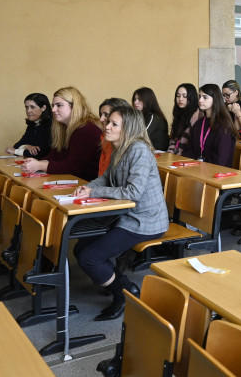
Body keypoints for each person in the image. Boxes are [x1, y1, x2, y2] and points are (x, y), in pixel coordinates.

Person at [71, 105, 169, 321]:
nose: (106, 126)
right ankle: (115, 280)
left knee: (90, 257)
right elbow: (106, 178)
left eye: (114, 124)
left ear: (128, 130)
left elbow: (133, 192)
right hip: (124, 215)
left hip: (145, 221)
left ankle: (123, 291)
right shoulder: (118, 147)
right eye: (108, 122)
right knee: (81, 248)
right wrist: (88, 188)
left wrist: (95, 192)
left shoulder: (139, 151)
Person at [22, 87, 102, 179]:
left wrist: (40, 165)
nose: (53, 110)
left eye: (59, 105)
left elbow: (72, 167)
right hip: (72, 180)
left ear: (74, 106)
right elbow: (53, 156)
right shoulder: (63, 127)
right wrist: (34, 162)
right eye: (53, 105)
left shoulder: (87, 129)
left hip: (87, 185)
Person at [181, 84, 237, 167]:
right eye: (199, 96)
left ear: (215, 99)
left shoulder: (223, 125)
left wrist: (201, 168)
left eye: (205, 97)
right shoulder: (198, 124)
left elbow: (221, 159)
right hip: (197, 170)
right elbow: (189, 150)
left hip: (216, 173)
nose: (200, 100)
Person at [5, 93, 52, 158]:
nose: (28, 111)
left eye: (32, 107)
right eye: (26, 107)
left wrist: (15, 151)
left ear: (43, 108)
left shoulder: (51, 125)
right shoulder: (32, 125)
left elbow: (41, 153)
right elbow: (17, 145)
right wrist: (27, 146)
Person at [98, 97, 130, 176]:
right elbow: (103, 176)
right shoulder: (105, 138)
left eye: (106, 115)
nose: (101, 119)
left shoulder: (135, 147)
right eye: (101, 115)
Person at [131, 87, 169, 151]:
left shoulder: (154, 117)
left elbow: (142, 136)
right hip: (147, 151)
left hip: (159, 153)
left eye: (139, 100)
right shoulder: (139, 116)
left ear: (148, 101)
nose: (135, 102)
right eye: (135, 99)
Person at [168, 83, 200, 155]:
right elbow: (173, 138)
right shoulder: (179, 113)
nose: (180, 99)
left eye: (184, 96)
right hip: (176, 156)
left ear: (191, 97)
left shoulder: (196, 115)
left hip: (187, 157)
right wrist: (169, 154)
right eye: (178, 96)